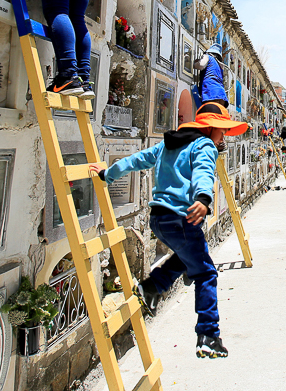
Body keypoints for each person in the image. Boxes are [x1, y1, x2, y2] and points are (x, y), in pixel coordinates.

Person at [90, 102, 248, 358]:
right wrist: (203, 198)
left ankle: (153, 286)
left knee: (188, 258)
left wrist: (108, 173)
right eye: (222, 131)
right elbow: (203, 172)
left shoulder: (167, 144)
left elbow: (137, 159)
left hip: (159, 220)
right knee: (206, 273)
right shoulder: (204, 145)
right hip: (183, 218)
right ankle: (208, 335)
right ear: (208, 129)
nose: (224, 137)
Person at [193, 43, 229, 108]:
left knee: (209, 115)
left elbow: (201, 65)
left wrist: (194, 64)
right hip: (222, 95)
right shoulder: (221, 66)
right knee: (217, 116)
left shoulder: (208, 56)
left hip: (210, 92)